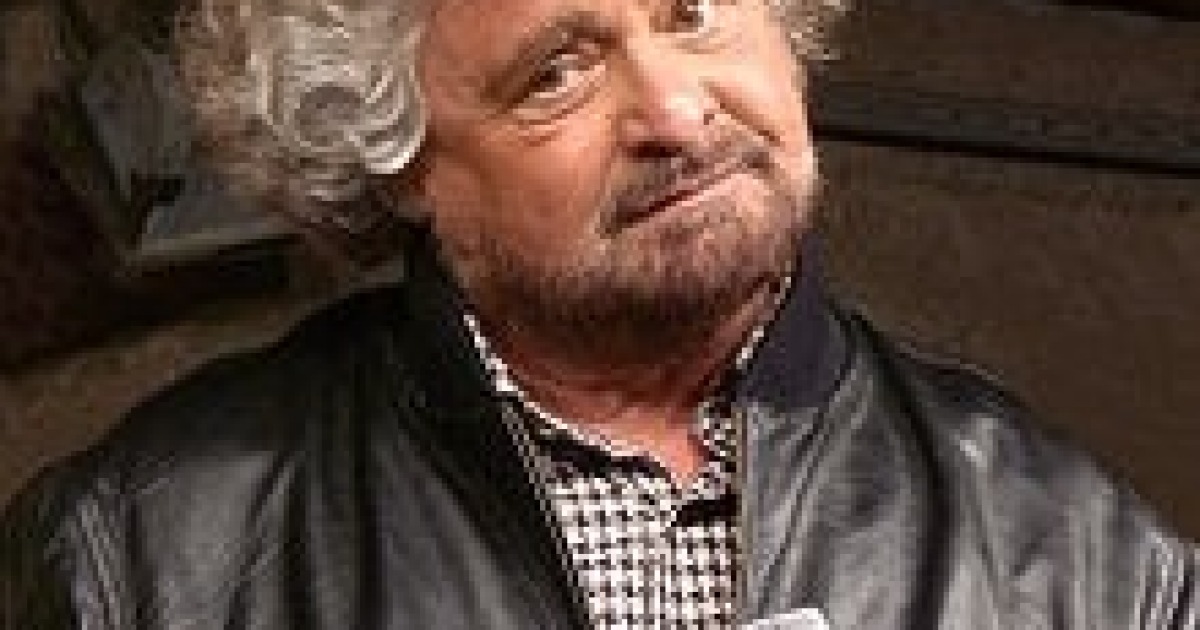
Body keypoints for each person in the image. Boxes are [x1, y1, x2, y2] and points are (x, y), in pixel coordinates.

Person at [2, 0, 1197, 628]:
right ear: (400, 164)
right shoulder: (136, 555)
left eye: (695, 10)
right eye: (558, 71)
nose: (675, 109)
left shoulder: (1090, 560)